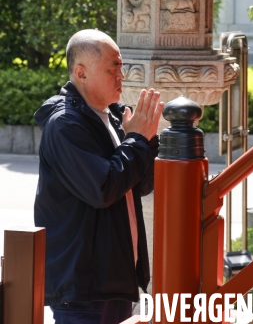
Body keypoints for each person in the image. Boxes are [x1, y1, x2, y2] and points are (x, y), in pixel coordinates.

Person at [34, 29, 163, 324]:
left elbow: (139, 184)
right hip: (83, 287)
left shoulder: (114, 117)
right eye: (112, 67)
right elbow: (103, 188)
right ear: (81, 73)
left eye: (121, 66)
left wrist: (147, 139)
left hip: (115, 280)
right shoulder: (65, 124)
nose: (122, 75)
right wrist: (137, 141)